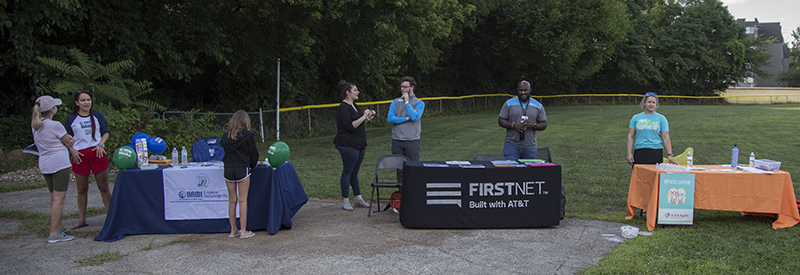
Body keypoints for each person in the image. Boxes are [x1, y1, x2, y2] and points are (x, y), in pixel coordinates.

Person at [64, 90, 111, 229]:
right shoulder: (71, 118)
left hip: (96, 152)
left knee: (103, 186)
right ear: (77, 103)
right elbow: (66, 137)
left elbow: (105, 132)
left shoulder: (97, 115)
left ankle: (110, 216)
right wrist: (72, 151)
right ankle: (82, 219)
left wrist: (100, 144)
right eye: (83, 100)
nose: (86, 103)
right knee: (81, 188)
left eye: (88, 100)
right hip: (80, 155)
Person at [32, 95, 76, 243]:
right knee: (59, 198)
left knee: (53, 196)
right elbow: (68, 142)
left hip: (45, 163)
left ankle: (58, 225)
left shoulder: (36, 125)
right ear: (52, 110)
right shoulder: (55, 125)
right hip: (59, 163)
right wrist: (71, 139)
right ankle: (54, 233)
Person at [334, 80, 376, 211]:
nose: (357, 92)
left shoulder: (354, 106)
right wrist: (364, 116)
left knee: (355, 172)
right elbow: (350, 126)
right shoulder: (343, 108)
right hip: (348, 144)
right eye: (355, 90)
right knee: (347, 171)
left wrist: (368, 118)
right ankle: (345, 200)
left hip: (359, 144)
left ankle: (358, 198)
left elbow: (359, 123)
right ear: (348, 93)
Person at [220, 110, 260, 239]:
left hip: (228, 169)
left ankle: (233, 230)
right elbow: (253, 154)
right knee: (242, 200)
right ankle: (243, 230)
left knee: (232, 200)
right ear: (245, 121)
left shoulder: (226, 136)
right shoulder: (248, 135)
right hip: (242, 168)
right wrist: (253, 164)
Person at [498, 80, 547, 160]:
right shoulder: (509, 103)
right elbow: (501, 120)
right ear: (517, 90)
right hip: (512, 144)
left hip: (530, 146)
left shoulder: (538, 106)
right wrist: (513, 125)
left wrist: (533, 125)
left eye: (525, 90)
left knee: (528, 172)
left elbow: (544, 124)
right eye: (520, 90)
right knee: (511, 170)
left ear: (530, 90)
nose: (523, 93)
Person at [626, 92, 676, 166]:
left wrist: (670, 154)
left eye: (653, 102)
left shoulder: (661, 118)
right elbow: (631, 136)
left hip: (656, 152)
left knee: (654, 177)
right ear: (644, 103)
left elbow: (666, 137)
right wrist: (629, 154)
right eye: (649, 102)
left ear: (656, 104)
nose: (651, 104)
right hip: (640, 151)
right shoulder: (636, 118)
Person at [387, 76, 425, 161]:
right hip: (397, 140)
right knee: (400, 169)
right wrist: (406, 119)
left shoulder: (419, 103)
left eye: (405, 87)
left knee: (413, 167)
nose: (402, 89)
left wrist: (407, 102)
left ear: (412, 87)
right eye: (401, 87)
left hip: (412, 140)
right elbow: (390, 119)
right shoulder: (396, 102)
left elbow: (414, 117)